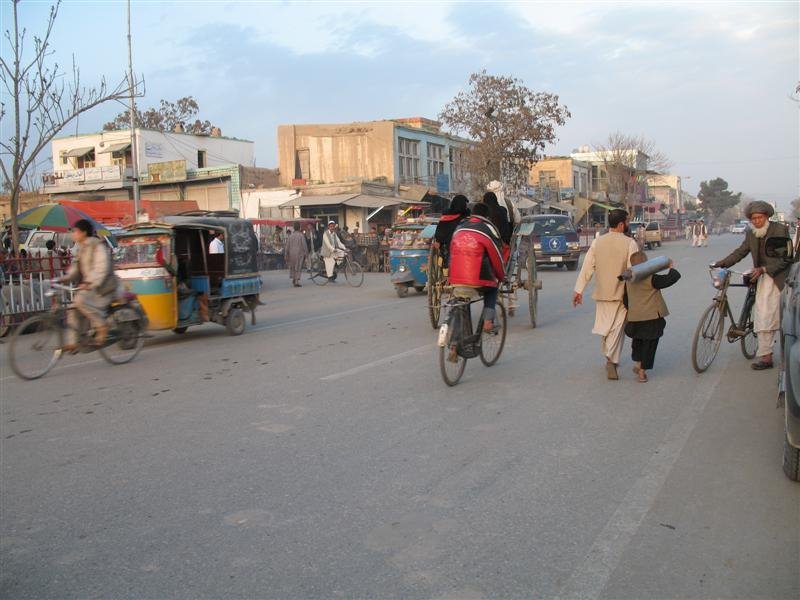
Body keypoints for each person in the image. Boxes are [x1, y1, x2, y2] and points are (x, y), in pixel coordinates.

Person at [712, 200, 791, 369]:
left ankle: (774, 357)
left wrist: (764, 269)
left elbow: (785, 258)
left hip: (776, 277)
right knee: (763, 316)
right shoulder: (751, 232)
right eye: (753, 218)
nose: (756, 221)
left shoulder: (780, 230)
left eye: (759, 217)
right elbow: (741, 252)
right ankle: (766, 355)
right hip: (759, 275)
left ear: (767, 216)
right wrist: (722, 263)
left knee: (771, 316)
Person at [572, 208, 639, 380]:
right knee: (616, 329)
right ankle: (611, 359)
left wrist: (578, 290)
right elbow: (635, 269)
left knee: (605, 328)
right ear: (621, 224)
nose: (628, 225)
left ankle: (610, 357)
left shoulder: (597, 242)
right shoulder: (630, 243)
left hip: (601, 293)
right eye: (628, 222)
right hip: (620, 294)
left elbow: (587, 268)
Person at [623, 252, 681, 383]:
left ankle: (638, 362)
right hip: (651, 318)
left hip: (635, 318)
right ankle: (642, 372)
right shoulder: (652, 278)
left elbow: (625, 300)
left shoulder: (628, 280)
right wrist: (671, 267)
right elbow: (671, 279)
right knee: (649, 345)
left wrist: (632, 311)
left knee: (637, 342)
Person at [58, 219, 116, 351]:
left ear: (84, 233)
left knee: (80, 300)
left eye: (75, 231)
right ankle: (73, 341)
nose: (73, 234)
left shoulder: (97, 245)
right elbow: (75, 269)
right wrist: (63, 279)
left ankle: (102, 326)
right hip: (91, 287)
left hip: (103, 287)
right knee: (72, 308)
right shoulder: (81, 248)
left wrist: (90, 282)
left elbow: (101, 268)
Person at [448, 203, 506, 333]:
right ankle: (488, 322)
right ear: (487, 216)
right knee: (492, 290)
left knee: (459, 303)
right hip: (477, 278)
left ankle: (453, 345)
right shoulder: (488, 229)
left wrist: (450, 276)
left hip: (456, 278)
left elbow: (451, 254)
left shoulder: (460, 228)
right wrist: (501, 276)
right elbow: (496, 256)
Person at [433, 195, 470, 266]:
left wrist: (438, 240)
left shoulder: (446, 215)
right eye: (465, 203)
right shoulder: (466, 217)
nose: (466, 206)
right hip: (462, 250)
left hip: (448, 248)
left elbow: (440, 230)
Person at [284, 222, 308, 287]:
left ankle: (294, 278)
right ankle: (296, 281)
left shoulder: (290, 236)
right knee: (298, 267)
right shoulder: (301, 235)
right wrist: (306, 254)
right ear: (299, 227)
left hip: (291, 254)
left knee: (293, 267)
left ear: (294, 228)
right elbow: (304, 246)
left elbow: (287, 246)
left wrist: (286, 254)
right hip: (299, 254)